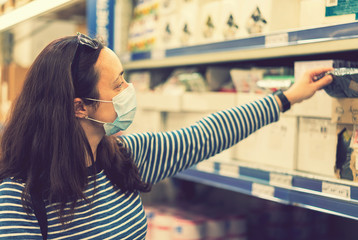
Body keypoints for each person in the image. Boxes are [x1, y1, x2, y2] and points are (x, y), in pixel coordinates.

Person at [0, 33, 333, 239]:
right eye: (118, 84)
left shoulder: (122, 158)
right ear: (80, 107)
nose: (129, 90)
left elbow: (205, 135)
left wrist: (287, 97)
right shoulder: (19, 197)